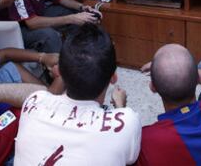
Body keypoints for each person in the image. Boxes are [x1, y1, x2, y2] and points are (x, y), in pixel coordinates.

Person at [14, 23, 141, 165]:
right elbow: (131, 158)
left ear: (59, 73)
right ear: (114, 77)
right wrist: (120, 106)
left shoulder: (33, 101)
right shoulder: (127, 121)